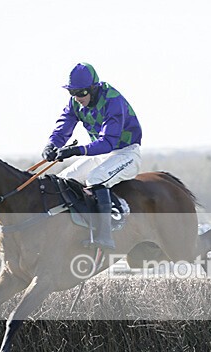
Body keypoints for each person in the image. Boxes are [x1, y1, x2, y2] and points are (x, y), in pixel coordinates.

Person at [42, 62, 143, 249]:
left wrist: (75, 150)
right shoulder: (75, 102)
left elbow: (107, 142)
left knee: (96, 178)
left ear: (93, 89)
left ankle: (105, 236)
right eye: (72, 93)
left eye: (81, 93)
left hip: (126, 152)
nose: (77, 98)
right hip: (103, 155)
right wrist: (52, 144)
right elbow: (64, 126)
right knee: (63, 179)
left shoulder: (113, 101)